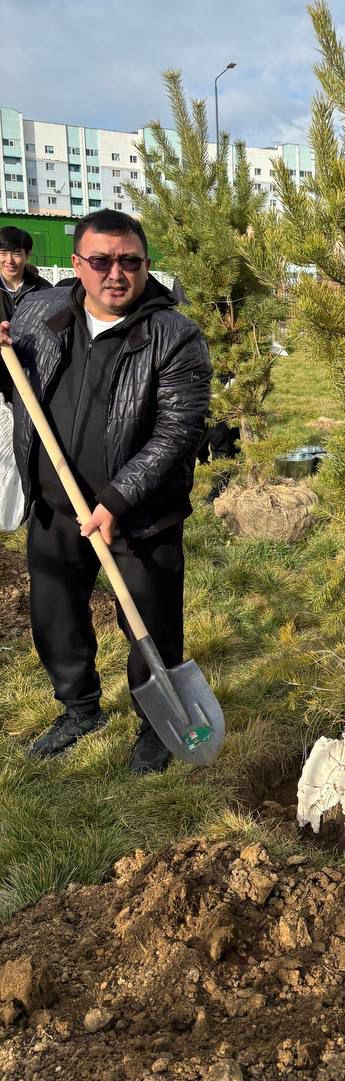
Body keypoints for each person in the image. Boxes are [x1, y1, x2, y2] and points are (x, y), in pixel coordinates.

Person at [1, 209, 212, 773]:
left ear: (145, 266)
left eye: (129, 261)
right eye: (101, 261)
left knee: (151, 623)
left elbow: (177, 432)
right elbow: (17, 381)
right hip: (56, 506)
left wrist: (116, 501)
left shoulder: (174, 334)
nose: (115, 273)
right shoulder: (39, 313)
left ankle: (155, 722)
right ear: (77, 264)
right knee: (55, 618)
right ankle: (78, 708)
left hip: (140, 515)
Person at [0, 226, 51, 401]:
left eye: (16, 253)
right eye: (3, 253)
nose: (9, 261)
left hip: (34, 379)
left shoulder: (43, 289)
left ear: (27, 254)